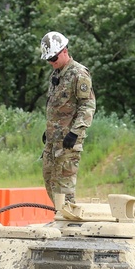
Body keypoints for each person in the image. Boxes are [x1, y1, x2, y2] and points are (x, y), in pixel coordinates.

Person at [40, 31, 96, 206]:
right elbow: (57, 106)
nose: (51, 62)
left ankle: (69, 224)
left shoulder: (79, 74)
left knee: (64, 189)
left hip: (68, 142)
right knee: (50, 181)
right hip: (53, 141)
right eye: (48, 59)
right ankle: (60, 217)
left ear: (64, 50)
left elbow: (87, 106)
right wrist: (49, 130)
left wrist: (75, 132)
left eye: (54, 58)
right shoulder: (56, 74)